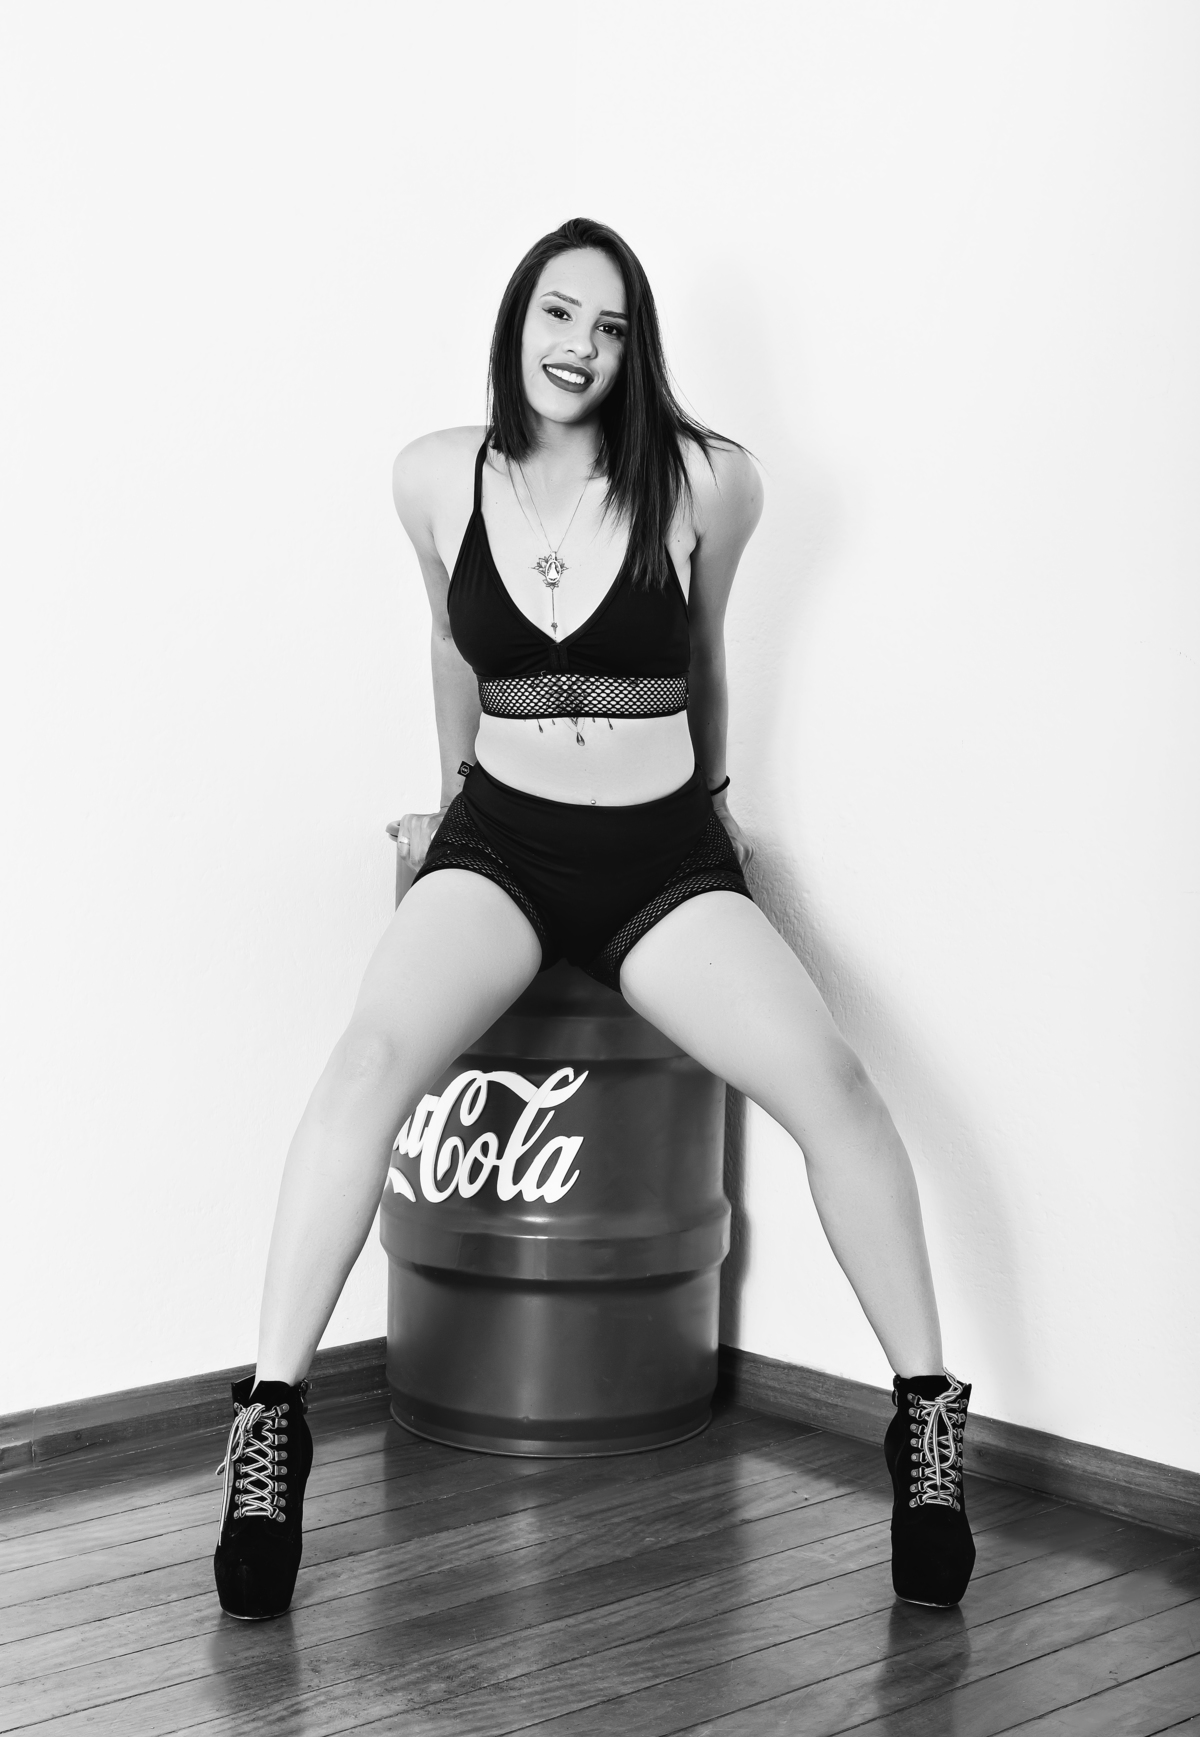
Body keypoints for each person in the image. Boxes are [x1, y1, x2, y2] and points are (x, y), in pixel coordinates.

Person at [213, 218, 975, 1621]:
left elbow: (704, 656)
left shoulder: (709, 482)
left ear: (637, 352)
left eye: (611, 328)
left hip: (656, 856)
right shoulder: (434, 476)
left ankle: (925, 1425)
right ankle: (270, 1426)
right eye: (559, 314)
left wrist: (720, 817)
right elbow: (450, 648)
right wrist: (444, 808)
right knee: (369, 1061)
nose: (580, 346)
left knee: (834, 1084)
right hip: (501, 843)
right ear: (517, 319)